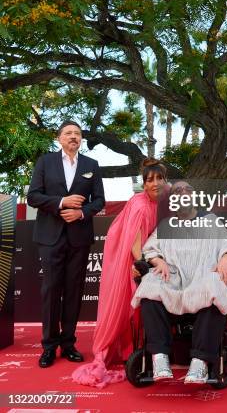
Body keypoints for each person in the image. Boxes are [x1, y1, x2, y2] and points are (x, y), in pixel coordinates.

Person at [132, 181, 227, 383]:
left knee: (214, 285)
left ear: (194, 195)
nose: (183, 193)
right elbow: (149, 249)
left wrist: (226, 258)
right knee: (150, 283)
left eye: (187, 189)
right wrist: (158, 261)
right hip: (174, 279)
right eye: (177, 191)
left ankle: (200, 363)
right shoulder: (166, 225)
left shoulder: (210, 220)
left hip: (204, 276)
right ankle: (160, 359)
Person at [72, 158, 169, 388]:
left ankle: (138, 349)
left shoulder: (164, 202)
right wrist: (145, 264)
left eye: (159, 179)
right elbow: (135, 245)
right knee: (129, 303)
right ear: (144, 184)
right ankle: (123, 351)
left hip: (150, 255)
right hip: (130, 258)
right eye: (150, 180)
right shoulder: (140, 205)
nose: (155, 183)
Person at [27, 121, 105, 368]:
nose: (73, 137)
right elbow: (33, 197)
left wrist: (81, 213)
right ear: (59, 138)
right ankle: (49, 346)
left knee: (74, 290)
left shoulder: (91, 165)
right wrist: (62, 202)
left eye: (77, 133)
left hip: (79, 237)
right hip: (50, 237)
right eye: (68, 133)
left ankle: (68, 344)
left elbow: (100, 200)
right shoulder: (45, 162)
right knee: (51, 290)